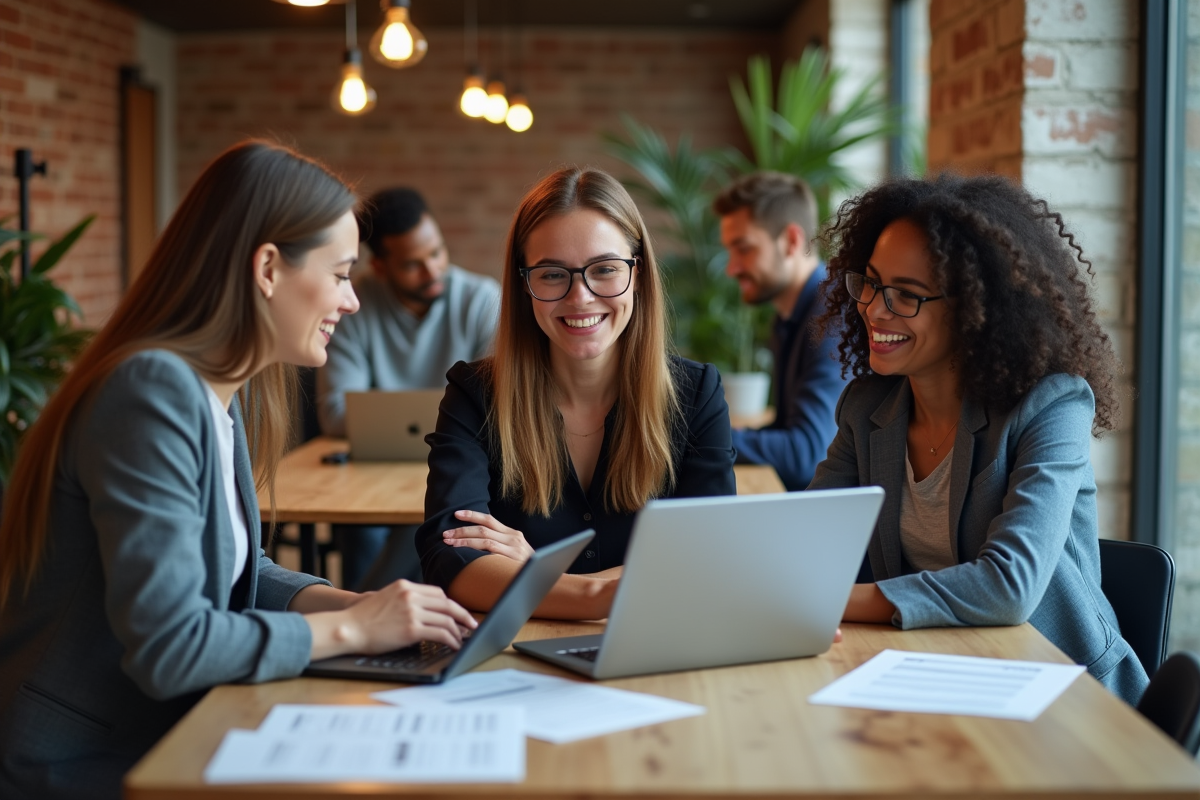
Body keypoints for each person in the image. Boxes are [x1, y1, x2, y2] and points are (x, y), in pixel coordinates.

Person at [0, 141, 476, 800]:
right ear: (269, 268)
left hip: (162, 731)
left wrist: (360, 606)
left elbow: (233, 571)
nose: (353, 300)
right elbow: (174, 646)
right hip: (81, 761)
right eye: (339, 274)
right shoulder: (151, 391)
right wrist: (354, 631)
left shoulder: (220, 395)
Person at [808, 173, 1149, 705]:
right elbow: (808, 551)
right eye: (871, 282)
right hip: (939, 677)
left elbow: (1009, 587)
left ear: (973, 310)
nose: (874, 308)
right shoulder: (867, 408)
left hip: (1067, 694)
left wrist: (826, 599)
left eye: (906, 295)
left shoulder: (1052, 405)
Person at [415, 167, 737, 619]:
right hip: (517, 662)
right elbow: (451, 559)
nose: (580, 297)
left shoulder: (696, 394)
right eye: (552, 275)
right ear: (524, 285)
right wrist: (599, 592)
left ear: (638, 274)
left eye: (604, 269)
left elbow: (709, 559)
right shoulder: (475, 395)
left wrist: (535, 574)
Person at [317, 187, 501, 590]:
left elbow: (495, 406)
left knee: (434, 513)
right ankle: (367, 615)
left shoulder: (482, 301)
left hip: (460, 461)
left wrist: (385, 417)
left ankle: (365, 609)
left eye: (436, 252)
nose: (433, 270)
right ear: (380, 267)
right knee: (360, 522)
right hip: (372, 472)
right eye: (413, 264)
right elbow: (334, 411)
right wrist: (455, 416)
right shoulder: (352, 304)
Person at [714, 171, 848, 490]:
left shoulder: (831, 316)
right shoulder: (792, 317)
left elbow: (808, 452)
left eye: (743, 249)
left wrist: (705, 438)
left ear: (791, 240)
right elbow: (787, 429)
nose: (731, 268)